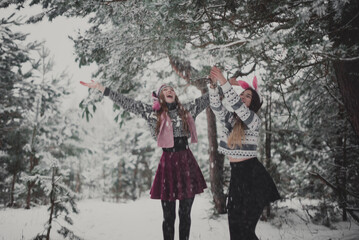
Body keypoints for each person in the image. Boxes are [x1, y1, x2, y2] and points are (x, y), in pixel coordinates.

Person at [80, 80, 208, 240]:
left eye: (172, 89)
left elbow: (208, 98)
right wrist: (102, 89)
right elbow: (128, 103)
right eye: (165, 90)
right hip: (168, 164)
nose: (170, 91)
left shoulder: (187, 109)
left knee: (185, 215)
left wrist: (226, 85)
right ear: (160, 96)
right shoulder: (152, 112)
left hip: (186, 163)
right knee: (169, 217)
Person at [208, 66, 280, 240]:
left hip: (254, 178)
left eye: (248, 96)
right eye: (242, 94)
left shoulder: (253, 120)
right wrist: (213, 86)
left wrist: (225, 83)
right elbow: (217, 107)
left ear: (253, 103)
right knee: (235, 230)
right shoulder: (231, 120)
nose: (242, 97)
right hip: (237, 177)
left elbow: (238, 106)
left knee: (246, 232)